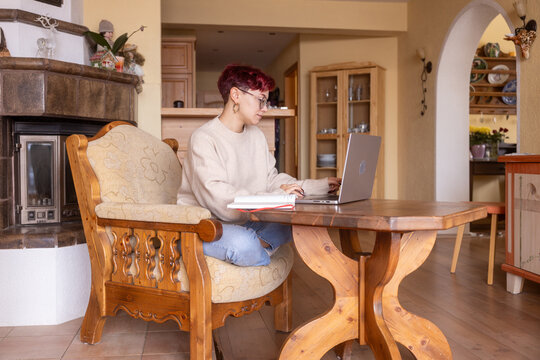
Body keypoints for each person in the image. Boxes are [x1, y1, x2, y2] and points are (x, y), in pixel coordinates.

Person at [177, 64, 341, 266]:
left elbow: (271, 179)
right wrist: (278, 196)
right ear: (235, 95)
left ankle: (254, 249)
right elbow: (222, 203)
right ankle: (255, 247)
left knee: (297, 222)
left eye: (267, 101)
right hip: (206, 226)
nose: (265, 108)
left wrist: (321, 186)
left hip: (245, 223)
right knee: (243, 243)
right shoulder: (204, 138)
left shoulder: (256, 136)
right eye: (261, 100)